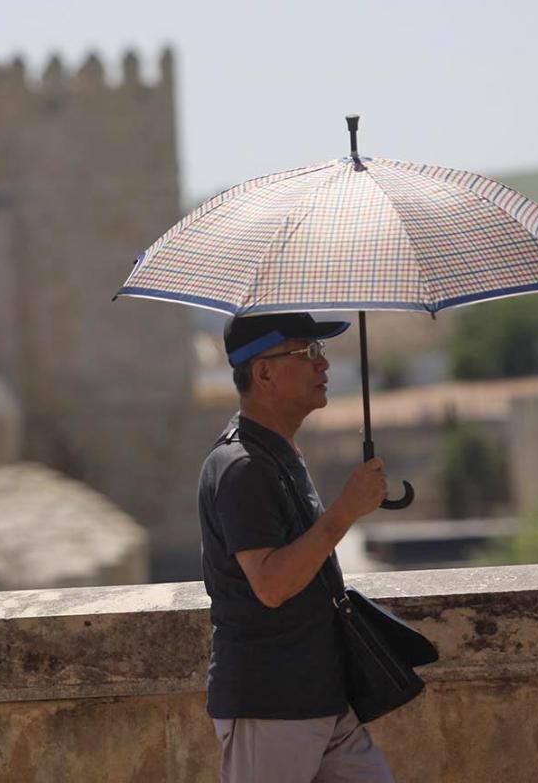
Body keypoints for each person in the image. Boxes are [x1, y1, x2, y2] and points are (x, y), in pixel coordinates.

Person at [198, 312, 396, 783]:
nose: (323, 365)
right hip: (272, 703)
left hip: (319, 698)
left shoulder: (275, 454)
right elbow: (271, 583)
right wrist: (345, 511)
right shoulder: (242, 466)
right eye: (308, 353)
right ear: (263, 372)